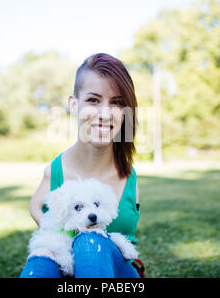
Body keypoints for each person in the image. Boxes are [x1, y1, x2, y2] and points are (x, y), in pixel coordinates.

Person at [19, 53, 141, 278]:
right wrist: (58, 237)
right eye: (93, 100)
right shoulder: (54, 172)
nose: (104, 114)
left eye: (116, 102)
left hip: (119, 273)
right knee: (42, 257)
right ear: (74, 105)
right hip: (70, 272)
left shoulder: (128, 174)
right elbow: (36, 207)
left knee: (90, 240)